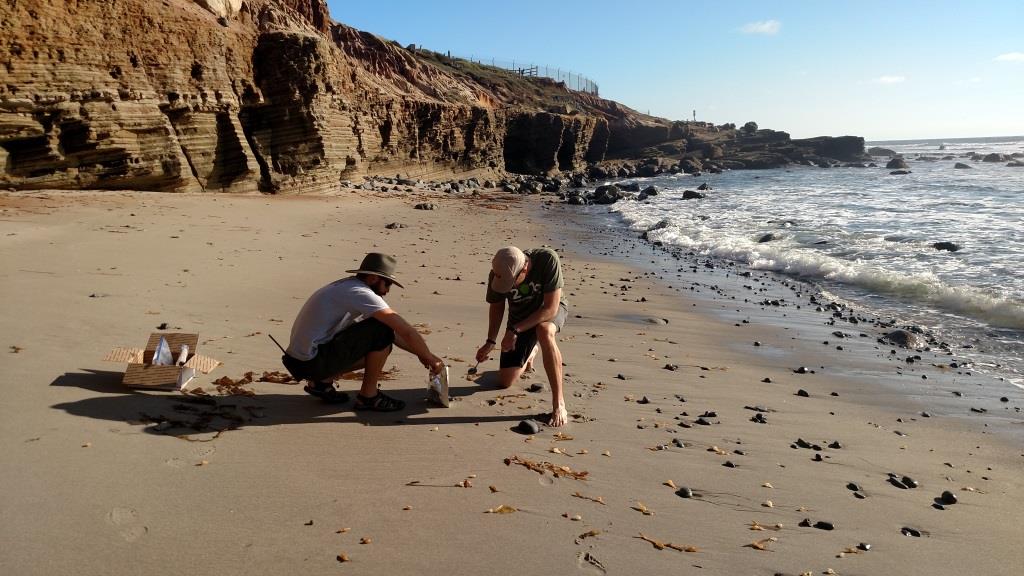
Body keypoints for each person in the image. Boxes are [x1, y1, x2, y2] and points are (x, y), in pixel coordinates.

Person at [281, 253, 444, 411]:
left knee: (380, 333)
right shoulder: (361, 293)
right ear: (373, 278)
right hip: (310, 363)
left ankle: (321, 382)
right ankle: (368, 397)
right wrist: (430, 358)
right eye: (387, 284)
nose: (387, 290)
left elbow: (395, 336)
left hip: (299, 360)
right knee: (381, 331)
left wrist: (422, 354)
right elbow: (404, 330)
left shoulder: (347, 286)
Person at [475, 246, 569, 426]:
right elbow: (497, 306)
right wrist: (490, 341)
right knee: (505, 381)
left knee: (544, 331)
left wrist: (515, 331)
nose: (508, 287)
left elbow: (551, 308)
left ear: (525, 268)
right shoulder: (499, 271)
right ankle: (532, 351)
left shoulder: (547, 260)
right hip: (519, 318)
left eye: (512, 283)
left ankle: (559, 403)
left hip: (548, 310)